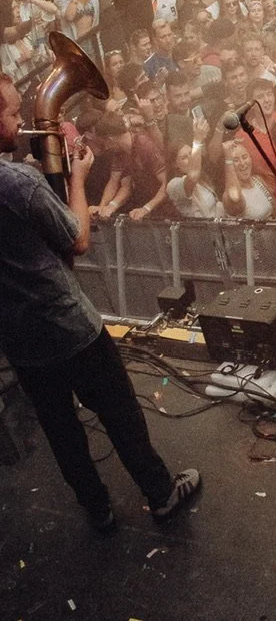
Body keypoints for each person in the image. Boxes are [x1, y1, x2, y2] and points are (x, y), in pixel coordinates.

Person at [0, 76, 200, 532]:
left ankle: (97, 508)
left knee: (61, 431)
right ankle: (162, 495)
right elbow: (78, 240)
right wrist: (77, 178)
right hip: (68, 327)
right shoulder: (18, 183)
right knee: (120, 414)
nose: (19, 121)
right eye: (12, 114)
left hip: (19, 339)